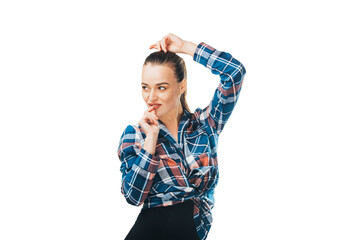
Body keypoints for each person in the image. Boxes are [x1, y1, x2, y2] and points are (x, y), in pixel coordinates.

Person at [117, 33, 246, 240]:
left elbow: (235, 73)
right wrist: (150, 144)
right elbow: (133, 197)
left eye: (161, 87)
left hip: (190, 224)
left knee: (182, 212)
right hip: (151, 227)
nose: (151, 97)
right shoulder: (135, 134)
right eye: (145, 88)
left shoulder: (206, 125)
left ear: (181, 86)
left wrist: (187, 47)